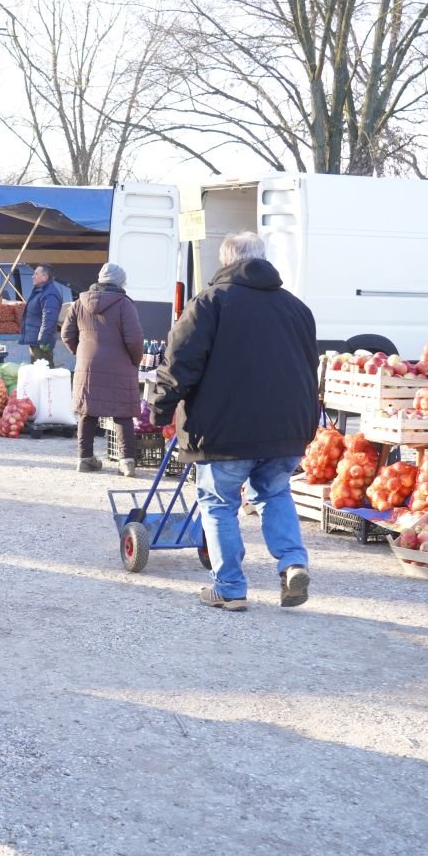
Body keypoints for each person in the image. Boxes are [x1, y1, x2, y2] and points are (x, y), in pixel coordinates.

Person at [153, 231, 319, 612]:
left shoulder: (210, 303)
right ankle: (293, 563)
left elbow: (180, 365)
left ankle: (229, 587)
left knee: (217, 502)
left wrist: (161, 409)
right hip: (286, 428)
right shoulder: (296, 308)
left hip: (223, 430)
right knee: (275, 494)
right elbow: (310, 370)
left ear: (226, 262)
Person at [62, 263, 144, 476]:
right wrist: (135, 360)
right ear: (120, 281)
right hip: (119, 364)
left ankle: (84, 459)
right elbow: (134, 339)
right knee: (122, 413)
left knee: (87, 412)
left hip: (87, 365)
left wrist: (80, 354)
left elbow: (66, 334)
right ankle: (126, 462)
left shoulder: (79, 303)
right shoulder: (124, 304)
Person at [20, 264, 64, 367]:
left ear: (45, 277)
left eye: (36, 273)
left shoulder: (49, 294)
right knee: (38, 374)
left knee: (45, 374)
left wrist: (43, 341)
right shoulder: (40, 291)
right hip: (36, 341)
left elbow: (49, 319)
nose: (32, 276)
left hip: (41, 343)